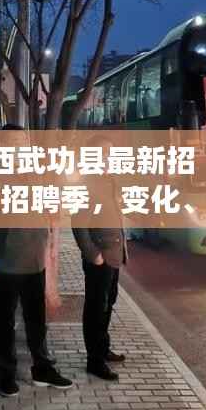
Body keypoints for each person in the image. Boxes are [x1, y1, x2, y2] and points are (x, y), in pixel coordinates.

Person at [0, 124, 72, 397]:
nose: (18, 147)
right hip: (6, 260)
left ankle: (42, 368)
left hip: (35, 258)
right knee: (5, 320)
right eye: (12, 142)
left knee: (36, 319)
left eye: (22, 142)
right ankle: (6, 373)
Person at [72, 135, 128, 381]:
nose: (108, 158)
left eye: (110, 154)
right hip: (100, 256)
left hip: (114, 254)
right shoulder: (87, 183)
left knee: (108, 302)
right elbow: (78, 223)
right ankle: (94, 361)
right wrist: (91, 253)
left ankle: (103, 349)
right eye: (103, 153)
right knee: (96, 307)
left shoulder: (110, 180)